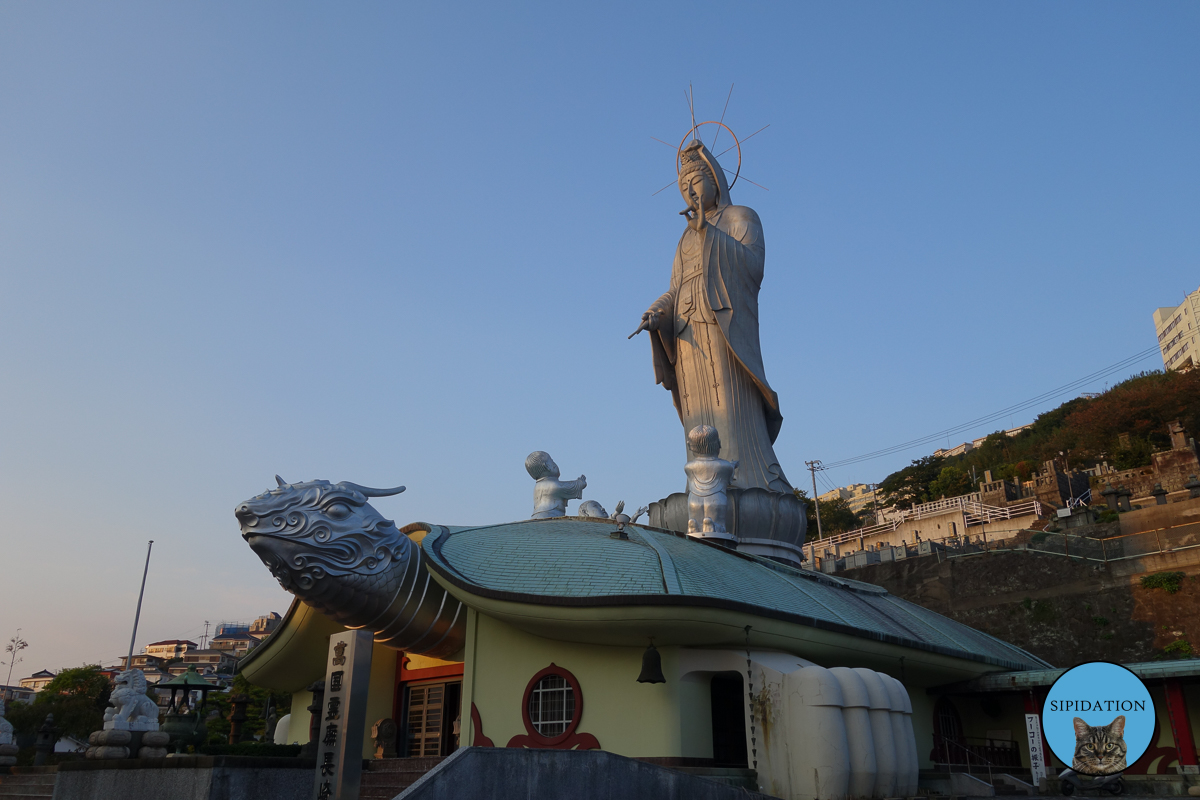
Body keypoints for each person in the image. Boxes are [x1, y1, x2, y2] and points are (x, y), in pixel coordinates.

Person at [634, 139, 792, 493]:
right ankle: (702, 486)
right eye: (683, 186)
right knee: (698, 410)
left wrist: (711, 234)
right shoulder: (684, 239)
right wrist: (658, 311)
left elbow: (753, 267)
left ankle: (749, 477)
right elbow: (675, 287)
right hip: (687, 330)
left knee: (729, 405)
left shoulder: (741, 217)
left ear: (716, 180)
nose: (689, 191)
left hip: (724, 326)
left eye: (695, 181)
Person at [525, 451, 586, 519]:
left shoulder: (538, 486)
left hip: (537, 515)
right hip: (550, 515)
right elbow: (568, 487)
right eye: (552, 461)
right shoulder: (551, 485)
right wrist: (580, 483)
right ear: (548, 466)